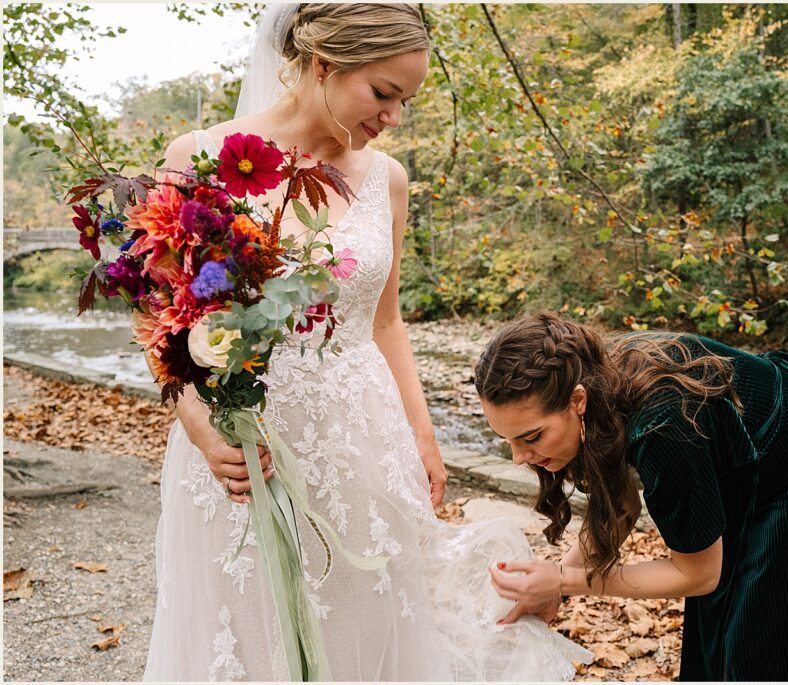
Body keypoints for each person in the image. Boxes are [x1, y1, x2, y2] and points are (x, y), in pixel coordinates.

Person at [143, 5, 590, 680]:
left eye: (405, 100)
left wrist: (423, 432)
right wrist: (204, 430)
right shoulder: (200, 157)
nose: (393, 117)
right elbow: (160, 315)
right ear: (322, 65)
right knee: (245, 631)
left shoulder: (387, 179)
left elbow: (384, 323)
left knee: (361, 621)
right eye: (383, 94)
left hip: (362, 439)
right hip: (241, 446)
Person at [474, 312, 788, 681]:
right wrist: (554, 584)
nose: (518, 457)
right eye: (507, 439)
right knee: (722, 643)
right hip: (748, 473)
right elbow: (619, 506)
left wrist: (565, 581)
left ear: (577, 400)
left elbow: (698, 574)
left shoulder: (663, 427)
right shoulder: (587, 375)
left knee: (767, 645)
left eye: (531, 438)